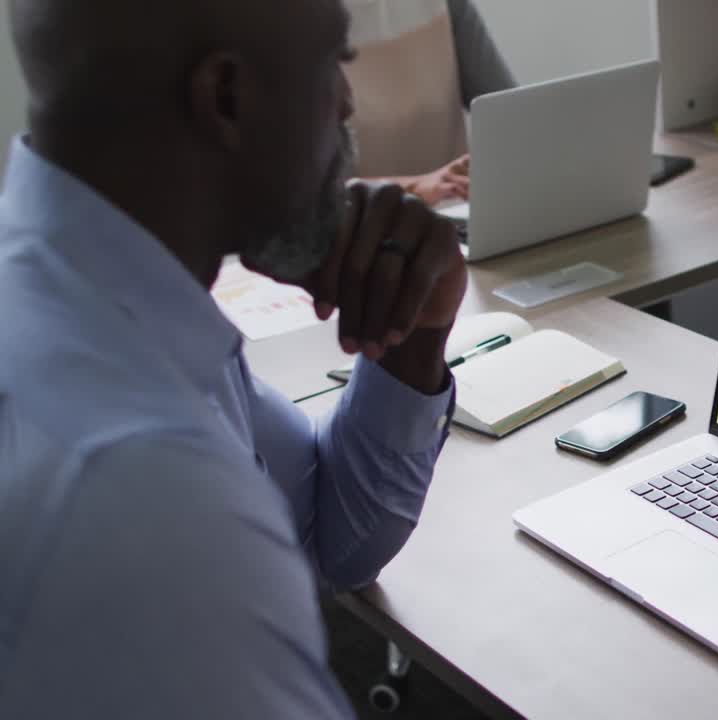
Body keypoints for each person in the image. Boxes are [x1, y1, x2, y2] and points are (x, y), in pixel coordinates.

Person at [0, 0, 466, 717]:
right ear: (226, 98)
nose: (347, 104)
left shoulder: (93, 296)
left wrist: (415, 332)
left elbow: (325, 541)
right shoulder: (147, 496)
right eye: (336, 61)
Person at [344, 0, 515, 205]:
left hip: (459, 219)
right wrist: (415, 187)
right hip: (360, 233)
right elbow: (309, 196)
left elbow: (512, 118)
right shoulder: (303, 22)